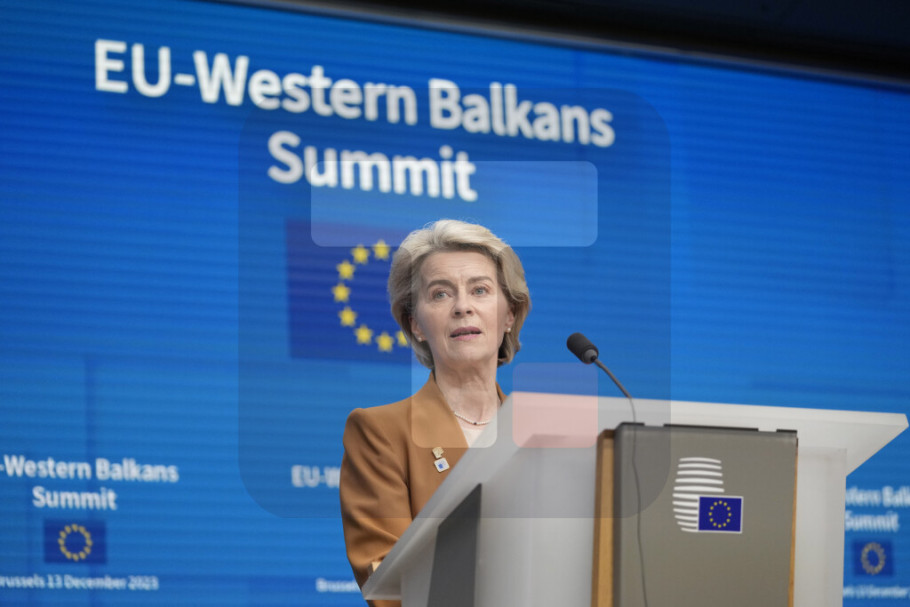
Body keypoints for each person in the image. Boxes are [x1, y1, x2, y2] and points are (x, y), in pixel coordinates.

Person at [339, 219, 531, 606]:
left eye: (480, 290)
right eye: (440, 294)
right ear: (416, 325)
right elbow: (389, 580)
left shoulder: (543, 434)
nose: (463, 307)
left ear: (509, 315)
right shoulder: (381, 432)